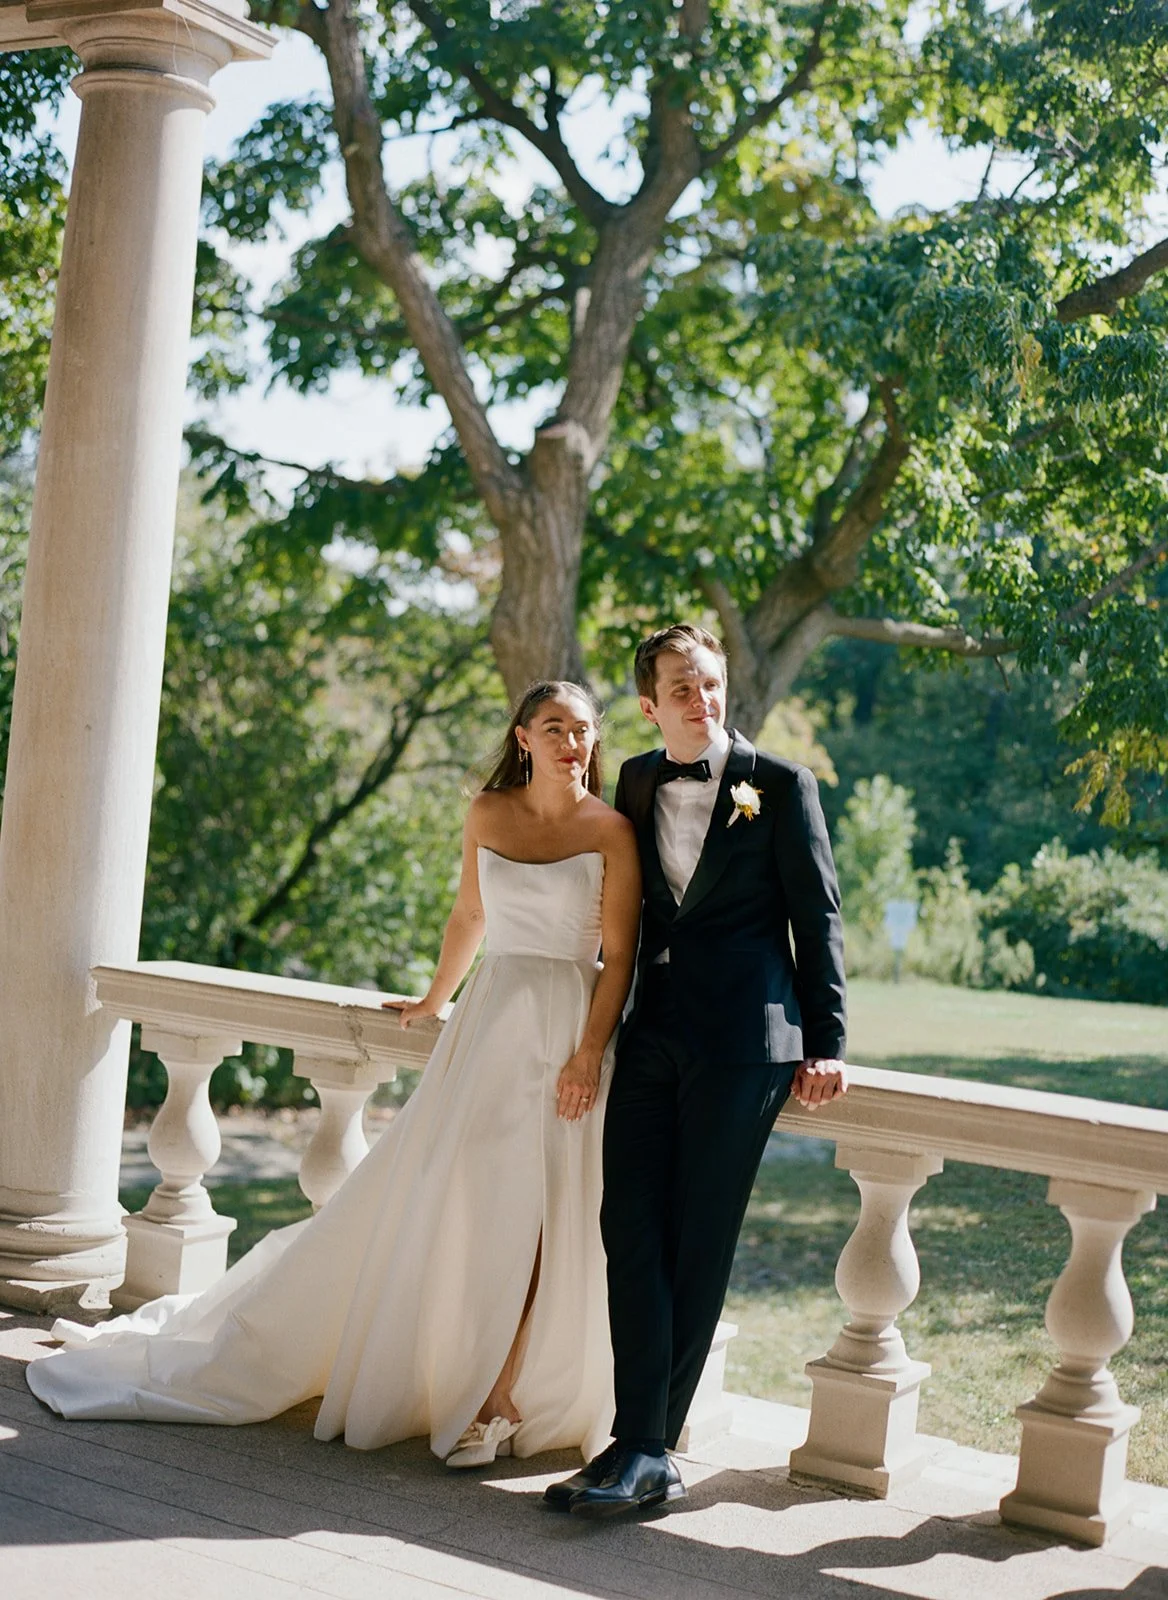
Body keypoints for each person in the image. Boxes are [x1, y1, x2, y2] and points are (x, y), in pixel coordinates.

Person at [26, 682, 642, 1472]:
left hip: (568, 1027)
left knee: (549, 1214)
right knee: (469, 1200)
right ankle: (455, 1372)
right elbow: (469, 918)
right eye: (555, 727)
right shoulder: (488, 813)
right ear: (522, 736)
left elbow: (617, 955)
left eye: (584, 730)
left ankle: (499, 1393)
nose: (573, 743)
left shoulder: (613, 832)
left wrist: (588, 1053)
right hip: (491, 1025)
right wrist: (434, 998)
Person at [546, 624, 848, 1518]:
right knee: (626, 1224)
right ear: (649, 703)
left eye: (709, 683)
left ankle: (644, 1447)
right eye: (680, 686)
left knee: (697, 1239)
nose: (700, 699)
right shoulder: (636, 778)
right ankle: (637, 1440)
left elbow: (818, 917)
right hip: (651, 1031)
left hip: (747, 1042)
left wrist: (828, 1040)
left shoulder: (782, 786)